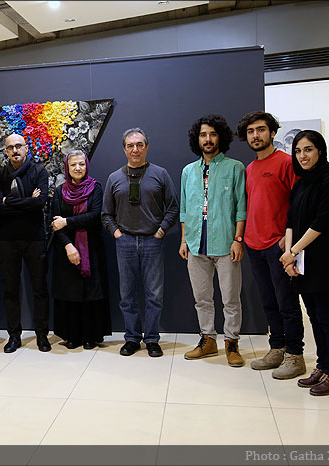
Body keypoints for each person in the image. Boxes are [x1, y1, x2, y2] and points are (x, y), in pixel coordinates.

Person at [280, 130, 329, 396]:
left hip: (321, 259)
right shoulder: (300, 183)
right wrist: (289, 256)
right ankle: (323, 366)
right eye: (298, 151)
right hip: (300, 259)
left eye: (308, 149)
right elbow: (290, 221)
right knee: (314, 316)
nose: (303, 155)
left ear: (320, 151)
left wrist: (293, 251)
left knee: (327, 316)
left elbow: (323, 222)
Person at [236, 111, 306, 380]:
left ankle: (295, 355)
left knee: (287, 302)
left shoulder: (287, 163)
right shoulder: (250, 169)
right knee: (268, 302)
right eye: (251, 131)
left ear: (273, 132)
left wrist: (288, 240)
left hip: (278, 247)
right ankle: (277, 348)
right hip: (255, 245)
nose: (256, 135)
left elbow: (299, 204)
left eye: (261, 130)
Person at [102, 128, 179, 357]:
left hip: (152, 242)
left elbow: (173, 207)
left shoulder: (160, 174)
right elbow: (106, 214)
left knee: (154, 294)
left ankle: (152, 339)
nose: (135, 149)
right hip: (124, 242)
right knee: (127, 296)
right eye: (130, 145)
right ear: (124, 149)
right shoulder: (114, 178)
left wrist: (161, 231)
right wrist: (117, 233)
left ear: (146, 147)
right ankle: (132, 338)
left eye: (139, 145)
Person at [179, 115, 247, 367]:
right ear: (197, 139)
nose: (208, 139)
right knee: (202, 298)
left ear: (221, 137)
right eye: (203, 135)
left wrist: (238, 239)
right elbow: (184, 209)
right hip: (196, 244)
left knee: (231, 299)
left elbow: (241, 207)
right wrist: (184, 240)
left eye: (213, 134)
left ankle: (232, 343)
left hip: (226, 244)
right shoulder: (188, 171)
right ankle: (208, 339)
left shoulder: (235, 168)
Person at [0, 133, 51, 353]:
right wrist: (27, 201)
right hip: (8, 240)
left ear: (26, 148)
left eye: (19, 146)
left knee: (40, 289)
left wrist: (9, 201)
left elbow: (40, 203)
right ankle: (14, 336)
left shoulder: (39, 172)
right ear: (6, 152)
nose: (15, 150)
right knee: (10, 290)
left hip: (35, 238)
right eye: (10, 147)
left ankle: (42, 336)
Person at [51, 150, 111, 350]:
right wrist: (68, 246)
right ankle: (72, 336)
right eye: (73, 165)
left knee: (90, 293)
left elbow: (94, 216)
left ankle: (90, 336)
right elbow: (54, 223)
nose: (78, 168)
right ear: (67, 168)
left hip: (91, 250)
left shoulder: (95, 188)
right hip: (66, 249)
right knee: (70, 293)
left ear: (87, 166)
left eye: (81, 164)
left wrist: (67, 221)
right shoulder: (59, 191)